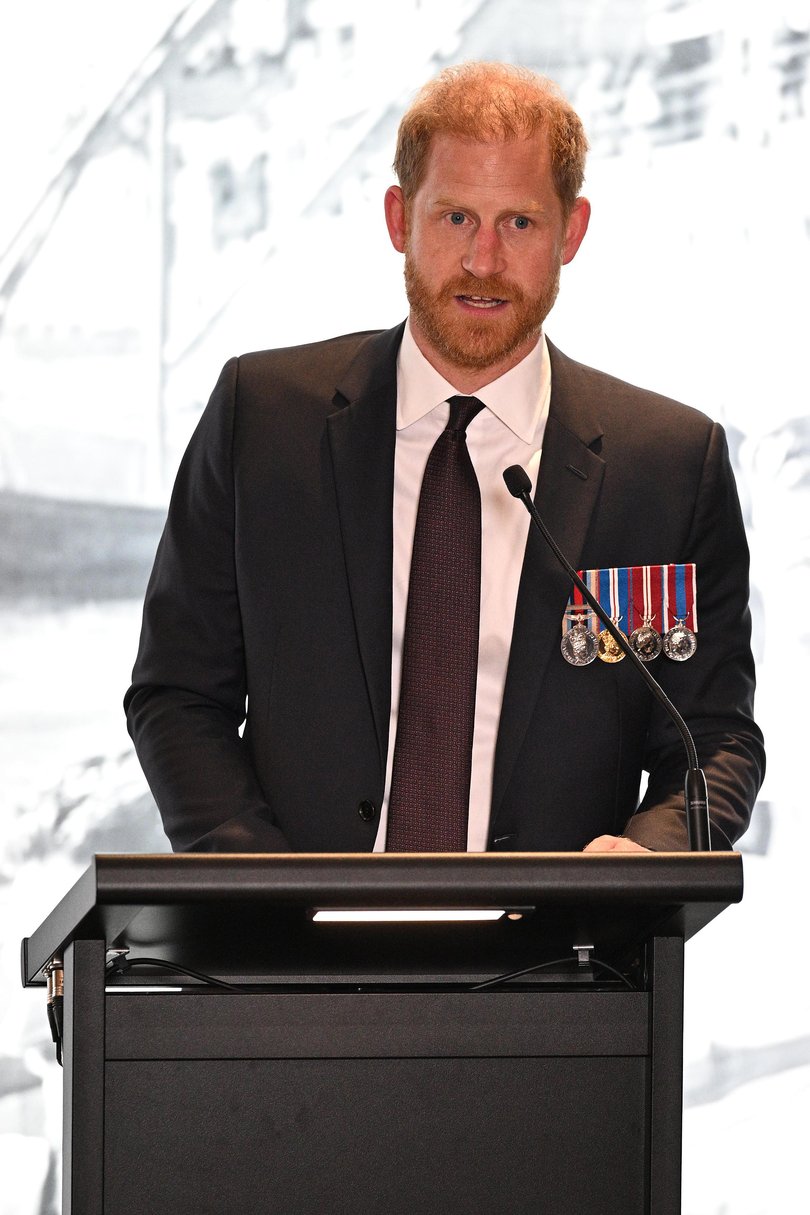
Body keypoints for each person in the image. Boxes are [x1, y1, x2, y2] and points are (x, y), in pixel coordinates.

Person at [125, 62, 764, 854]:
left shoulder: (669, 468)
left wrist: (645, 866)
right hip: (295, 958)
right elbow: (178, 693)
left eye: (521, 224)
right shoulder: (261, 421)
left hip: (562, 960)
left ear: (573, 230)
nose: (485, 261)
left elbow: (710, 738)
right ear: (400, 218)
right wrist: (267, 890)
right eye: (456, 217)